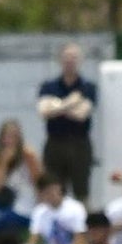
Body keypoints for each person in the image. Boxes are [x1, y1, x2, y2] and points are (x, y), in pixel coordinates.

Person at [37, 43, 96, 202]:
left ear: (80, 60)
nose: (70, 61)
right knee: (53, 187)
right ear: (60, 60)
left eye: (74, 57)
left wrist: (56, 105)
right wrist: (71, 102)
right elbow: (43, 111)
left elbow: (82, 114)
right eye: (67, 57)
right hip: (55, 143)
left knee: (81, 191)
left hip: (79, 144)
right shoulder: (49, 86)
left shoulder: (88, 87)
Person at [0, 118, 42, 235]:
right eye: (7, 137)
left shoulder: (28, 155)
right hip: (4, 199)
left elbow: (39, 182)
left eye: (14, 137)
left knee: (5, 220)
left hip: (25, 200)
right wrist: (4, 163)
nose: (10, 141)